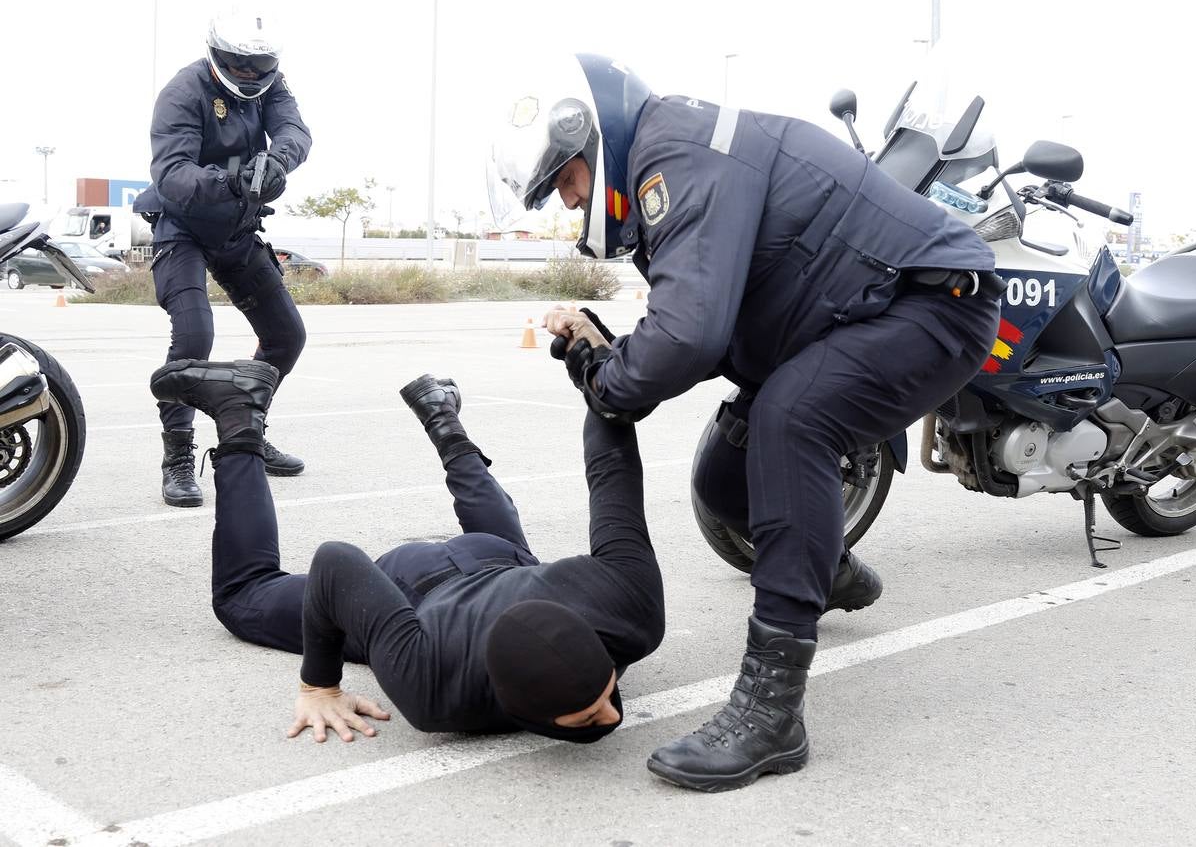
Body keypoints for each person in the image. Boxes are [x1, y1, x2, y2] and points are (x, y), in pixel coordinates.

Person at [492, 55, 1002, 791]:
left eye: (565, 181)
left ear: (591, 139)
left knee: (792, 420)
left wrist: (610, 383)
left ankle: (773, 711)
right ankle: (823, 569)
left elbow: (691, 336)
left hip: (932, 304)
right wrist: (614, 357)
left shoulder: (674, 158)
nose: (571, 202)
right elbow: (697, 322)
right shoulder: (669, 158)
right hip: (849, 315)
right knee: (723, 478)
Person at [148, 348, 664, 742]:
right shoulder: (434, 692)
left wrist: (601, 373)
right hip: (409, 587)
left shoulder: (630, 609)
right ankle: (239, 413)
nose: (614, 714)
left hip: (497, 557)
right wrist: (319, 686)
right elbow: (337, 565)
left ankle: (441, 412)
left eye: (601, 699)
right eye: (593, 711)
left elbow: (612, 478)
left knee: (512, 556)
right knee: (241, 597)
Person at [133, 7, 311, 508]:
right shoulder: (184, 91)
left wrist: (278, 160)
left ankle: (245, 429)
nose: (250, 76)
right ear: (217, 56)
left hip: (236, 227)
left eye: (260, 66)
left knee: (286, 336)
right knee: (194, 337)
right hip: (182, 226)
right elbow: (172, 175)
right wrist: (232, 180)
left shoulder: (274, 86)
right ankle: (178, 457)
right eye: (239, 65)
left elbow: (297, 132)